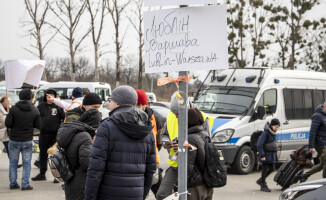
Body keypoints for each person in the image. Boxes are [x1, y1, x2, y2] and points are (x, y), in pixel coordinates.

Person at [85, 85, 156, 200]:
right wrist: (143, 194)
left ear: (117, 103)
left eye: (111, 100)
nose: (110, 103)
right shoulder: (147, 129)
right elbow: (150, 169)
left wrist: (89, 197)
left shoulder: (107, 126)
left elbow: (95, 168)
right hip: (135, 194)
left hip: (108, 194)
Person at [156, 92, 213, 200]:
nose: (176, 116)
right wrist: (166, 142)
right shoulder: (171, 116)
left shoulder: (201, 118)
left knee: (186, 195)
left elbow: (205, 143)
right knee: (162, 195)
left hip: (194, 168)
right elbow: (164, 134)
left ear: (185, 109)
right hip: (175, 164)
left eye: (178, 113)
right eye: (174, 113)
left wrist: (183, 147)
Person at [57, 109, 101, 200]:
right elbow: (86, 162)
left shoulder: (73, 133)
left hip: (71, 180)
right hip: (81, 182)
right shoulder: (85, 136)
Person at [5, 89, 41, 190]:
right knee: (27, 163)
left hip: (14, 139)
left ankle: (13, 183)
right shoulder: (34, 109)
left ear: (20, 97)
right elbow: (39, 125)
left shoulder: (13, 108)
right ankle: (25, 184)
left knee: (13, 162)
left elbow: (8, 124)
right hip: (27, 139)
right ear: (30, 97)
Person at [32, 89, 65, 183]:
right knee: (43, 154)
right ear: (45, 96)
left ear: (55, 96)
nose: (49, 97)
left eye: (51, 95)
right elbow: (36, 117)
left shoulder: (58, 106)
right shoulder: (41, 106)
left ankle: (56, 176)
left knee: (55, 155)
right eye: (47, 95)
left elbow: (63, 118)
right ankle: (42, 173)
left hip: (55, 135)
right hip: (43, 134)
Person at [136, 89, 163, 195]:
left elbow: (159, 141)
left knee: (160, 192)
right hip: (137, 163)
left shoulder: (155, 119)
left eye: (143, 104)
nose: (141, 108)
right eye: (138, 105)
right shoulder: (129, 117)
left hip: (153, 162)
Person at [187, 108, 213, 200]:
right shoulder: (205, 135)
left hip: (195, 186)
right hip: (208, 183)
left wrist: (178, 185)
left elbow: (188, 167)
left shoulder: (190, 139)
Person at [300, 102, 326, 181]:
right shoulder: (317, 116)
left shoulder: (325, 116)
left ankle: (303, 176)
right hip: (320, 144)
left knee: (321, 164)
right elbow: (313, 131)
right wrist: (311, 146)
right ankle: (324, 180)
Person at [256, 118, 280, 192]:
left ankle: (260, 180)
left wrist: (275, 153)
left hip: (271, 154)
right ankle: (263, 184)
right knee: (265, 169)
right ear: (272, 126)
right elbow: (259, 145)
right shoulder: (265, 133)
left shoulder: (273, 133)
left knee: (272, 168)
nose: (277, 128)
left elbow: (274, 144)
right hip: (265, 154)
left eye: (278, 127)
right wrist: (262, 155)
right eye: (276, 127)